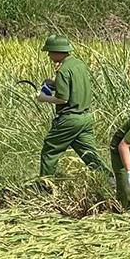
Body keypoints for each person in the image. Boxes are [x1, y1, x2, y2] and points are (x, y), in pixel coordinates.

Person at [35, 35, 109, 189]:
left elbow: (62, 99)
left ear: (57, 52)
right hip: (85, 118)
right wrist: (53, 83)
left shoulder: (62, 70)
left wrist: (44, 98)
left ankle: (45, 188)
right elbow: (74, 85)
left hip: (69, 119)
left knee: (49, 151)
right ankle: (112, 181)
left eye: (49, 52)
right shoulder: (78, 65)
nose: (48, 55)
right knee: (89, 154)